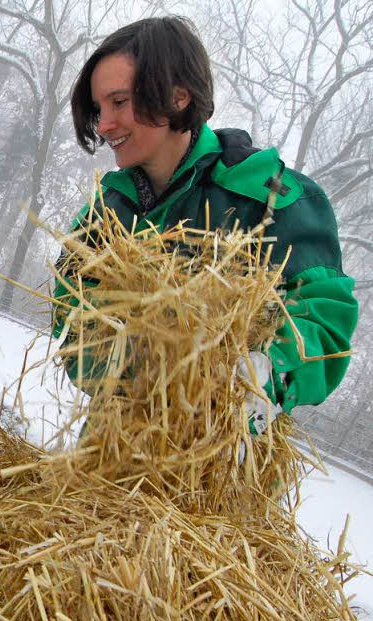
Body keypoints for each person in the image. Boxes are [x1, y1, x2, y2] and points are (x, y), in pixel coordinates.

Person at [53, 16, 357, 430]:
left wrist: (255, 375)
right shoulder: (109, 208)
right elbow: (69, 308)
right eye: (99, 108)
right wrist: (130, 376)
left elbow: (326, 323)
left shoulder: (272, 196)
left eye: (119, 102)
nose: (104, 125)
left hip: (222, 468)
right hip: (113, 453)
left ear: (178, 96)